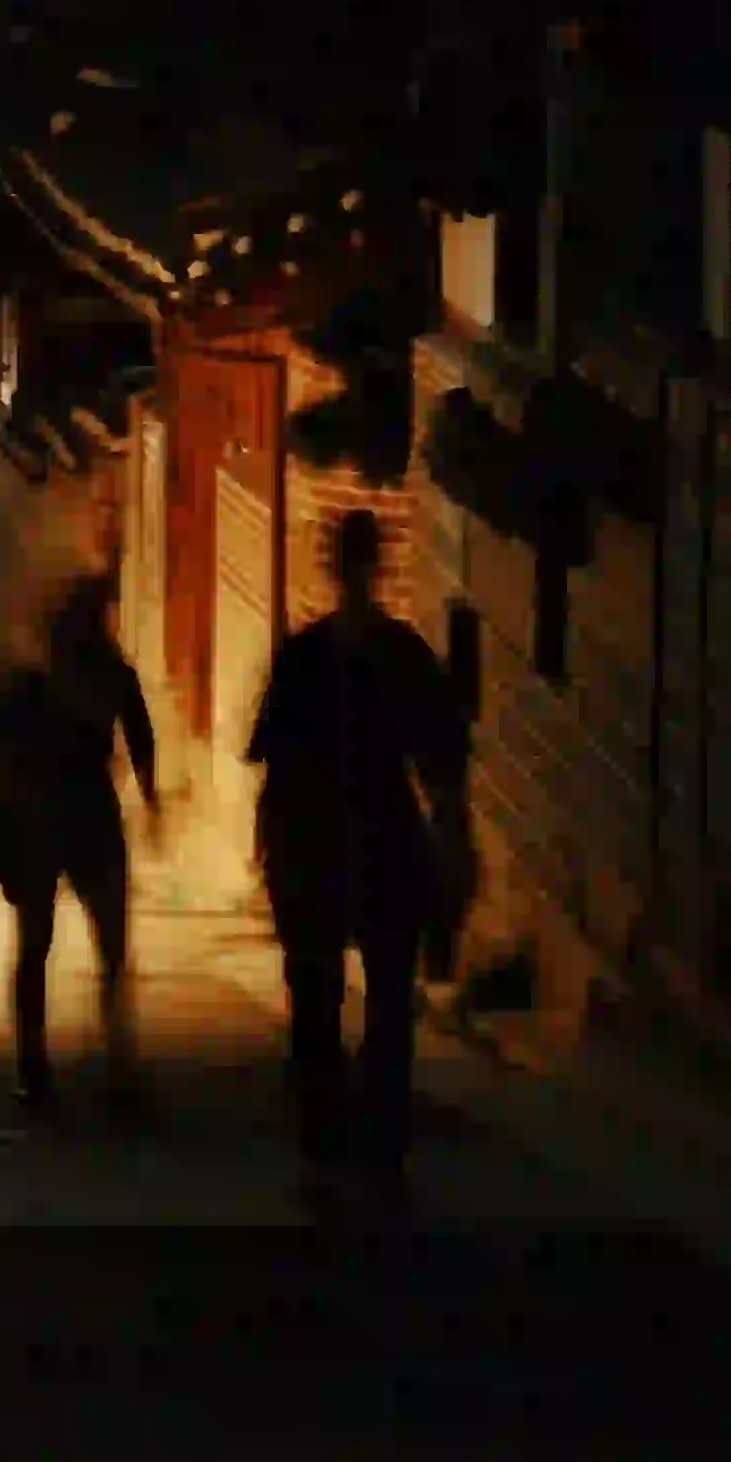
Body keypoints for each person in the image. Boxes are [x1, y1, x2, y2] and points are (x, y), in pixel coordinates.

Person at [244, 508, 470, 1192]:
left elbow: (275, 767)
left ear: (330, 562)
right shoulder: (400, 654)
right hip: (380, 842)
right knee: (385, 1002)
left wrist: (270, 849)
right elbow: (441, 766)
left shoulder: (305, 656)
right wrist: (450, 844)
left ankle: (327, 1139)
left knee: (318, 996)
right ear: (377, 564)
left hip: (321, 844)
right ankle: (377, 1138)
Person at [0, 572, 159, 1113]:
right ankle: (116, 1066)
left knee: (35, 946)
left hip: (41, 820)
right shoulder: (109, 671)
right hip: (89, 816)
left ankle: (34, 1069)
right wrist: (151, 799)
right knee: (110, 948)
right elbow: (140, 737)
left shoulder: (35, 676)